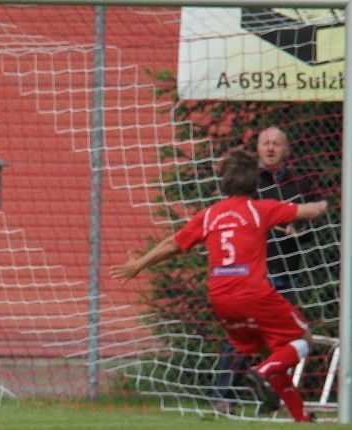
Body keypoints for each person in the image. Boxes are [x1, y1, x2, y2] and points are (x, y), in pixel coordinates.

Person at [110, 148, 327, 422]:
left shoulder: (210, 215)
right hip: (253, 293)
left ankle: (300, 417)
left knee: (271, 352)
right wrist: (326, 203)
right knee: (302, 339)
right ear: (255, 183)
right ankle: (261, 373)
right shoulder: (260, 209)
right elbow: (308, 211)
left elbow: (172, 244)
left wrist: (139, 264)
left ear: (224, 184)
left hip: (222, 299)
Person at [212, 126, 316, 413]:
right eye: (265, 143)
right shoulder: (247, 183)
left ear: (286, 150)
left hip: (285, 272)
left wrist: (297, 229)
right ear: (257, 148)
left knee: (285, 341)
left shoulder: (300, 184)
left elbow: (309, 229)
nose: (270, 148)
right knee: (240, 342)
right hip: (250, 277)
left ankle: (279, 400)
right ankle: (223, 399)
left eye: (276, 144)